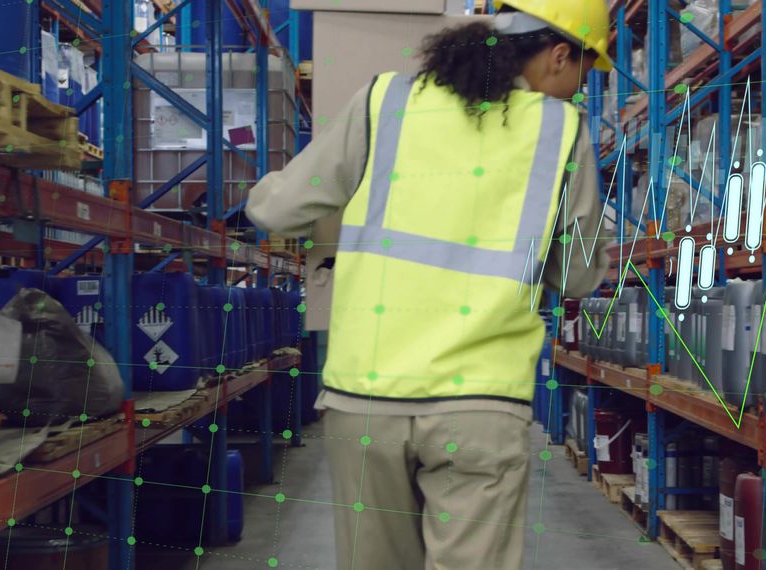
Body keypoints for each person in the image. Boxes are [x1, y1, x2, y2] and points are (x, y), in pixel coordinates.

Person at [246, 1, 613, 568]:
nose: (579, 89)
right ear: (560, 54)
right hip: (482, 405)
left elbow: (279, 210)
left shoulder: (388, 100)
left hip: (366, 397)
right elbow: (581, 276)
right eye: (584, 73)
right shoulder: (562, 131)